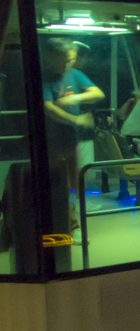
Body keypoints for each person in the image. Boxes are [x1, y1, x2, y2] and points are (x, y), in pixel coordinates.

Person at [41, 37, 105, 239]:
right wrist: (76, 119)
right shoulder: (43, 77)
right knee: (61, 185)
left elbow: (98, 93)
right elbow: (48, 108)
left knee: (73, 184)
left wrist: (76, 97)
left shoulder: (74, 74)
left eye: (71, 60)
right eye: (65, 60)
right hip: (51, 141)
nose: (69, 64)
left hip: (71, 139)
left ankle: (70, 224)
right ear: (52, 57)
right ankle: (69, 227)